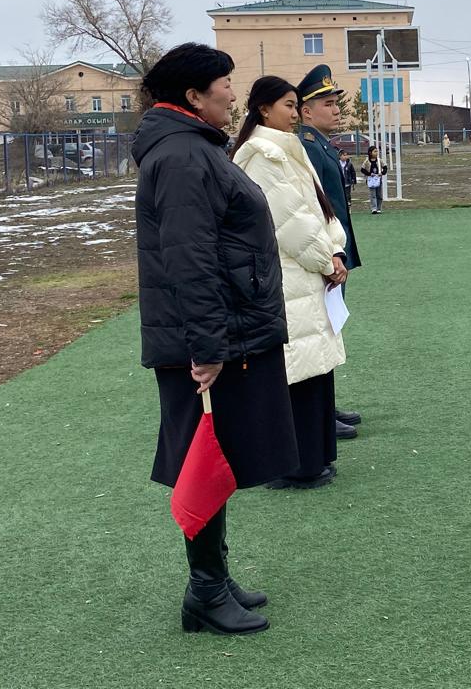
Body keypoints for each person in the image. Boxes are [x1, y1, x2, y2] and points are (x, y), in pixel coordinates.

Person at [134, 43, 298, 635]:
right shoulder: (181, 157)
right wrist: (207, 348)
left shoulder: (194, 148)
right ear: (192, 96)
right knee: (203, 458)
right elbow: (188, 259)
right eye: (225, 83)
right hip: (204, 341)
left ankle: (214, 577)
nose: (234, 93)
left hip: (222, 330)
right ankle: (203, 591)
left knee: (218, 451)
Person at [232, 76, 347, 492]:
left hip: (308, 269)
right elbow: (287, 221)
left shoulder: (287, 147)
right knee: (295, 369)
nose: (295, 113)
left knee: (313, 366)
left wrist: (335, 249)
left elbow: (319, 210)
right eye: (287, 105)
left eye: (297, 105)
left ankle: (314, 457)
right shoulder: (261, 154)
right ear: (263, 109)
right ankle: (298, 464)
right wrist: (325, 259)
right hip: (289, 272)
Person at [297, 64, 362, 439]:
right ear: (306, 111)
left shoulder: (321, 145)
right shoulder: (308, 148)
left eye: (336, 103)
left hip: (336, 250)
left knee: (329, 330)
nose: (336, 110)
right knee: (320, 330)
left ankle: (326, 406)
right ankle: (320, 413)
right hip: (327, 254)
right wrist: (331, 254)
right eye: (327, 104)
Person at [361, 146, 390, 214]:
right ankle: (374, 208)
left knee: (379, 195)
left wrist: (382, 173)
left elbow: (385, 167)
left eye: (377, 151)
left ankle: (379, 208)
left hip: (378, 179)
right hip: (370, 180)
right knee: (372, 195)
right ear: (370, 152)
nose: (377, 153)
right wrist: (369, 174)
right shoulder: (367, 161)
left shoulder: (379, 160)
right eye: (375, 151)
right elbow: (362, 169)